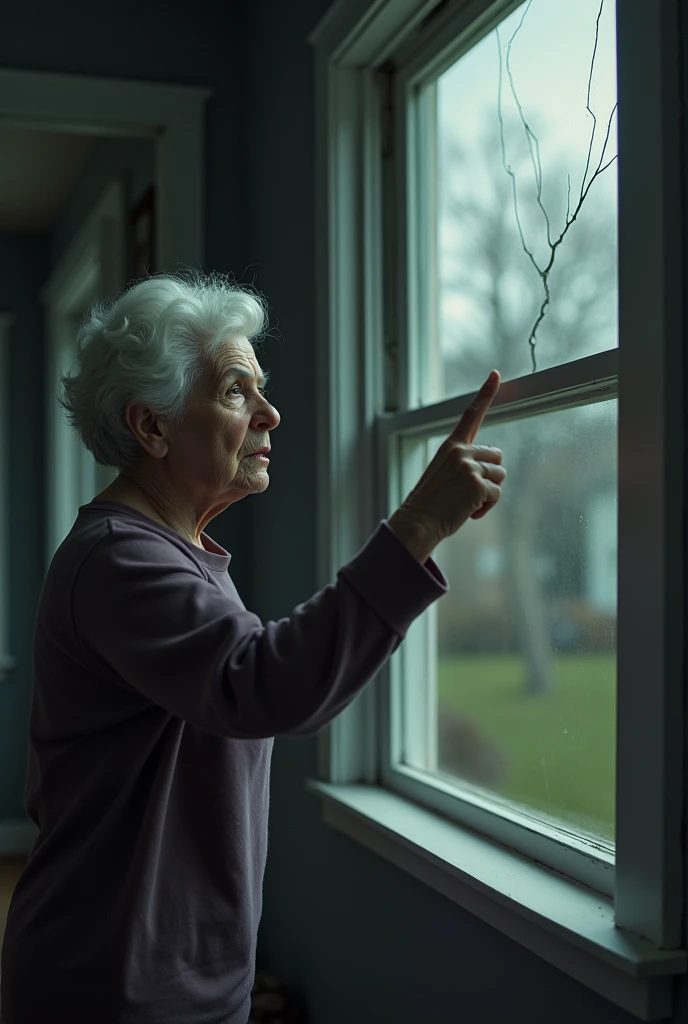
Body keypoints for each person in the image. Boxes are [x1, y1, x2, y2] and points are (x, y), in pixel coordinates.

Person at [0, 269, 506, 1024]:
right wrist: (419, 526)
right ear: (152, 427)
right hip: (113, 986)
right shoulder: (118, 559)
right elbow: (262, 683)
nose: (271, 413)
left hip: (179, 979)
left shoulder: (177, 552)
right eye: (238, 391)